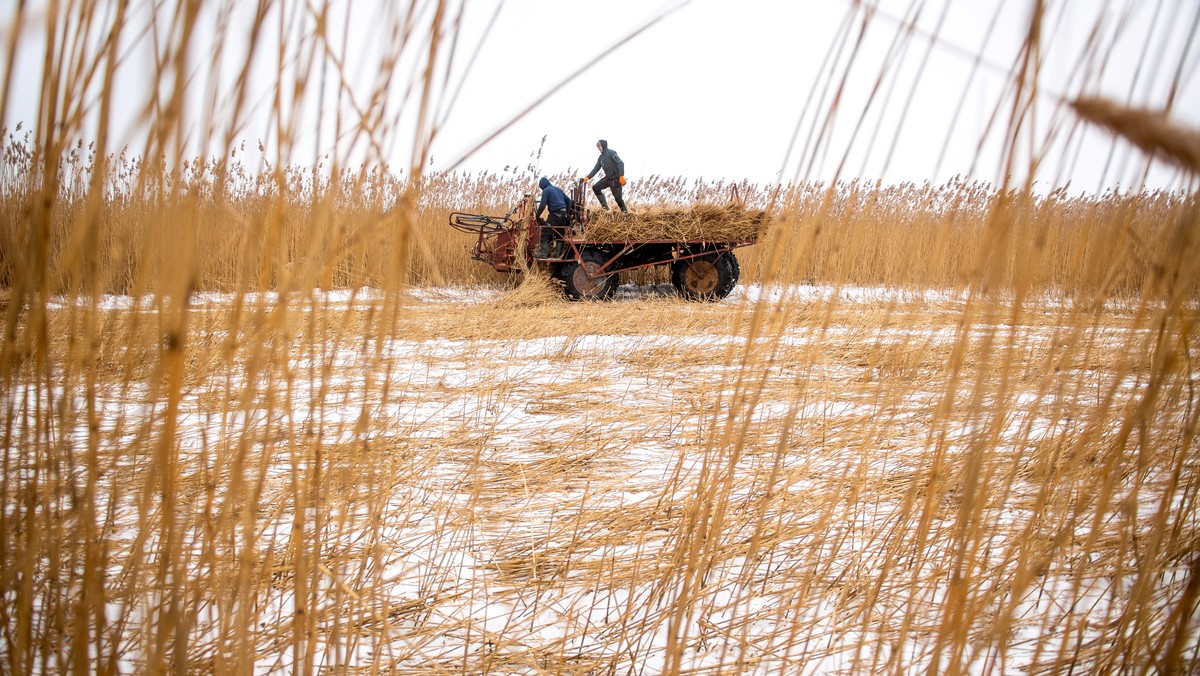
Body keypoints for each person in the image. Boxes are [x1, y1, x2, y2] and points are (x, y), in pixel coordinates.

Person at [582, 139, 627, 213]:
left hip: (616, 179)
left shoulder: (611, 153)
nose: (598, 148)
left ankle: (625, 213)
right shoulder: (600, 158)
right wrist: (587, 177)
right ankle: (605, 209)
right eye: (598, 147)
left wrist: (621, 176)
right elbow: (596, 168)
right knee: (596, 188)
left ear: (603, 145)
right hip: (608, 179)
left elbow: (621, 163)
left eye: (599, 146)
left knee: (618, 199)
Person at [535, 176, 572, 257]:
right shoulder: (558, 189)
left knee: (545, 232)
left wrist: (537, 215)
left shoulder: (546, 190)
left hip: (555, 214)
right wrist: (567, 213)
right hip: (564, 215)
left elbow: (542, 205)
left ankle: (543, 253)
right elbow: (569, 201)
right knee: (560, 234)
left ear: (542, 185)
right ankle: (557, 254)